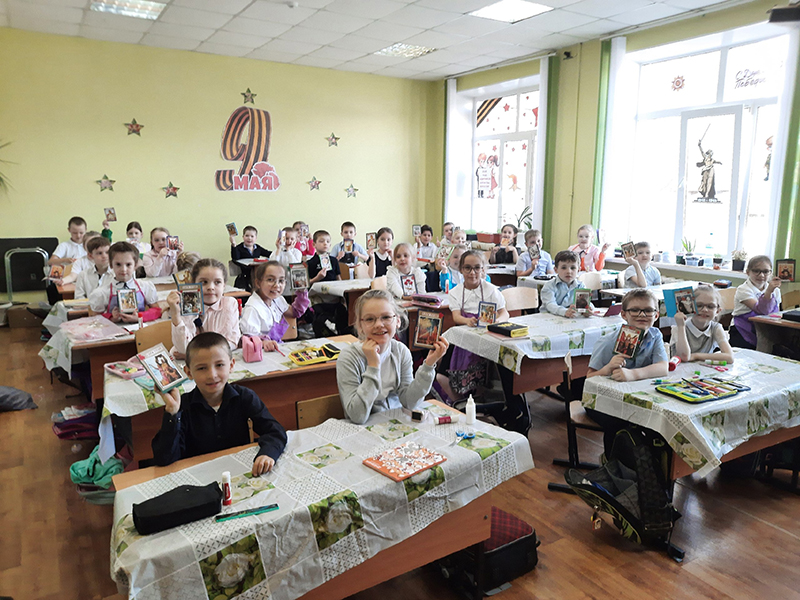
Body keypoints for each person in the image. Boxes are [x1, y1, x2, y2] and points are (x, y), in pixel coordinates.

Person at [151, 332, 287, 476]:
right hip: (199, 476)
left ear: (231, 365)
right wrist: (172, 412)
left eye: (220, 365)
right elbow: (164, 458)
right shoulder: (182, 406)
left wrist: (267, 453)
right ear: (188, 372)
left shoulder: (244, 397)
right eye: (202, 368)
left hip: (239, 471)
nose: (212, 375)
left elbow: (275, 431)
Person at [439, 250, 530, 433]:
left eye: (477, 268)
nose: (472, 273)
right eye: (467, 268)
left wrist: (496, 321)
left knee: (498, 361)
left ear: (483, 270)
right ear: (461, 269)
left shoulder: (491, 290)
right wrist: (467, 321)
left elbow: (504, 312)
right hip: (465, 334)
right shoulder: (456, 292)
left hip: (488, 333)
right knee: (444, 370)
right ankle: (459, 401)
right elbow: (456, 317)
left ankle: (499, 403)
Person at [336, 289, 448, 424]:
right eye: (370, 319)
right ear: (360, 326)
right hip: (362, 427)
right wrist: (373, 366)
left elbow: (410, 402)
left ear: (397, 321)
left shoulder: (401, 352)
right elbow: (358, 416)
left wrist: (428, 365)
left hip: (395, 422)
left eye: (386, 317)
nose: (379, 324)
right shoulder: (349, 357)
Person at [586, 288, 669, 453]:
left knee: (657, 423)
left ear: (656, 315)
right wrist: (608, 368)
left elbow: (663, 367)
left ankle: (649, 463)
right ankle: (613, 463)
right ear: (624, 314)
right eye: (635, 310)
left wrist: (632, 374)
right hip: (602, 400)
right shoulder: (608, 341)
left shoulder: (655, 335)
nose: (642, 315)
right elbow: (589, 378)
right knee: (619, 422)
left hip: (636, 398)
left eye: (648, 310)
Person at [168, 258, 240, 358]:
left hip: (214, 360)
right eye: (204, 282)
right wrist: (175, 314)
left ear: (224, 285)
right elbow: (183, 348)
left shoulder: (229, 304)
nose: (211, 287)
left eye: (217, 282)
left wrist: (195, 354)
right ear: (193, 284)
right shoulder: (187, 306)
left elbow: (232, 342)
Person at [239, 261, 310, 351]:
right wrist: (263, 342)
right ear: (258, 283)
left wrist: (302, 292)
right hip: (260, 351)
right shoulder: (252, 308)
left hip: (276, 347)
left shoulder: (277, 299)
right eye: (270, 280)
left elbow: (295, 312)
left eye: (281, 281)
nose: (277, 285)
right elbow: (248, 340)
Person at [88, 241, 160, 323]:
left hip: (140, 328)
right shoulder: (102, 292)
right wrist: (111, 317)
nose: (123, 269)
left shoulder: (145, 286)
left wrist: (139, 317)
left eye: (128, 264)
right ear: (111, 265)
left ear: (135, 265)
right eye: (118, 264)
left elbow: (157, 311)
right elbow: (95, 317)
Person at [671, 285, 734, 363]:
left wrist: (696, 356)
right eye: (699, 305)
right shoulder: (679, 327)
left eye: (710, 306)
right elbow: (684, 357)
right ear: (691, 306)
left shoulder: (715, 328)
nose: (705, 310)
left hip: (703, 369)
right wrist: (681, 326)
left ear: (717, 311)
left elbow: (730, 357)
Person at [731, 255, 782, 349]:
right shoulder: (743, 289)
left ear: (771, 273)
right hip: (743, 330)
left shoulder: (776, 291)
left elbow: (776, 312)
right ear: (748, 272)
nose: (761, 275)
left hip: (766, 330)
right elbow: (761, 310)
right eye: (756, 271)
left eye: (765, 271)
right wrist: (768, 292)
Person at [306, 230, 349, 337]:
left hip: (334, 297)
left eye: (328, 241)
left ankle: (341, 333)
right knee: (320, 316)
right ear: (314, 244)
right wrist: (318, 278)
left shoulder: (333, 261)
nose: (325, 244)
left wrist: (343, 292)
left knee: (342, 311)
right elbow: (307, 283)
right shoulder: (310, 263)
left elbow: (338, 278)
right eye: (321, 241)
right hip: (318, 299)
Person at [540, 250, 583, 317]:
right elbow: (550, 304)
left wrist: (588, 310)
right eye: (563, 268)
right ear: (556, 270)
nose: (568, 271)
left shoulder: (581, 286)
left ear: (578, 270)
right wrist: (564, 312)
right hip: (548, 317)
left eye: (573, 268)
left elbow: (585, 303)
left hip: (570, 318)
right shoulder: (549, 286)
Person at [230, 225, 270, 291]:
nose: (249, 238)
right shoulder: (239, 248)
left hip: (256, 276)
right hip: (244, 277)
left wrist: (279, 249)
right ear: (243, 237)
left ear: (256, 238)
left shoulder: (257, 248)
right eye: (247, 236)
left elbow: (269, 254)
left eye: (252, 236)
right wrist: (233, 244)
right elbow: (235, 258)